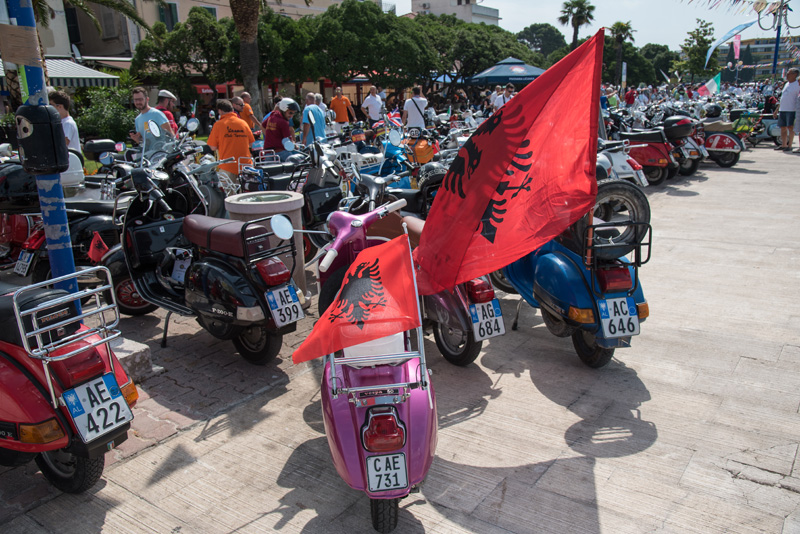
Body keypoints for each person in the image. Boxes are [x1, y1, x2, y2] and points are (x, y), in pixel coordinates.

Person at [207, 99, 255, 180]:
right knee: (247, 191)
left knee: (229, 192)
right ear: (232, 109)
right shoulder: (243, 123)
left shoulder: (218, 125)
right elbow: (251, 143)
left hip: (227, 166)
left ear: (220, 111)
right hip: (245, 165)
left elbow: (213, 147)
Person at [130, 87, 175, 157]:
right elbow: (144, 142)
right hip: (149, 157)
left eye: (140, 99)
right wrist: (137, 139)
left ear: (147, 99)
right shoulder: (137, 119)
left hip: (163, 155)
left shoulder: (157, 114)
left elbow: (171, 135)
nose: (138, 102)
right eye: (136, 100)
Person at [773, 68, 800, 151]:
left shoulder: (797, 85)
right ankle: (783, 144)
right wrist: (777, 109)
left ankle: (790, 145)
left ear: (795, 75)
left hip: (792, 109)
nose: (787, 75)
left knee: (790, 127)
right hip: (783, 109)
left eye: (789, 73)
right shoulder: (786, 84)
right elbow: (782, 98)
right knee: (783, 128)